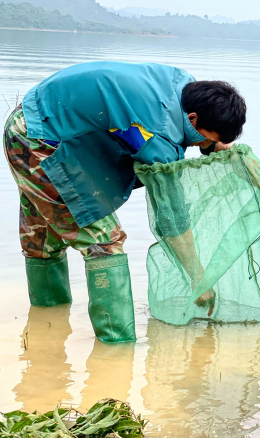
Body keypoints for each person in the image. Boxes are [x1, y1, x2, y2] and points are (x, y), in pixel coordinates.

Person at [3, 61, 246, 342]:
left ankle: (47, 327)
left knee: (44, 235)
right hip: (37, 139)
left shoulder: (182, 82)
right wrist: (197, 276)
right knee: (104, 241)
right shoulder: (159, 138)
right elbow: (171, 214)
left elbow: (144, 124)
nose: (199, 146)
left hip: (31, 116)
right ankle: (117, 347)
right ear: (193, 119)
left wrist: (213, 144)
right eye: (202, 139)